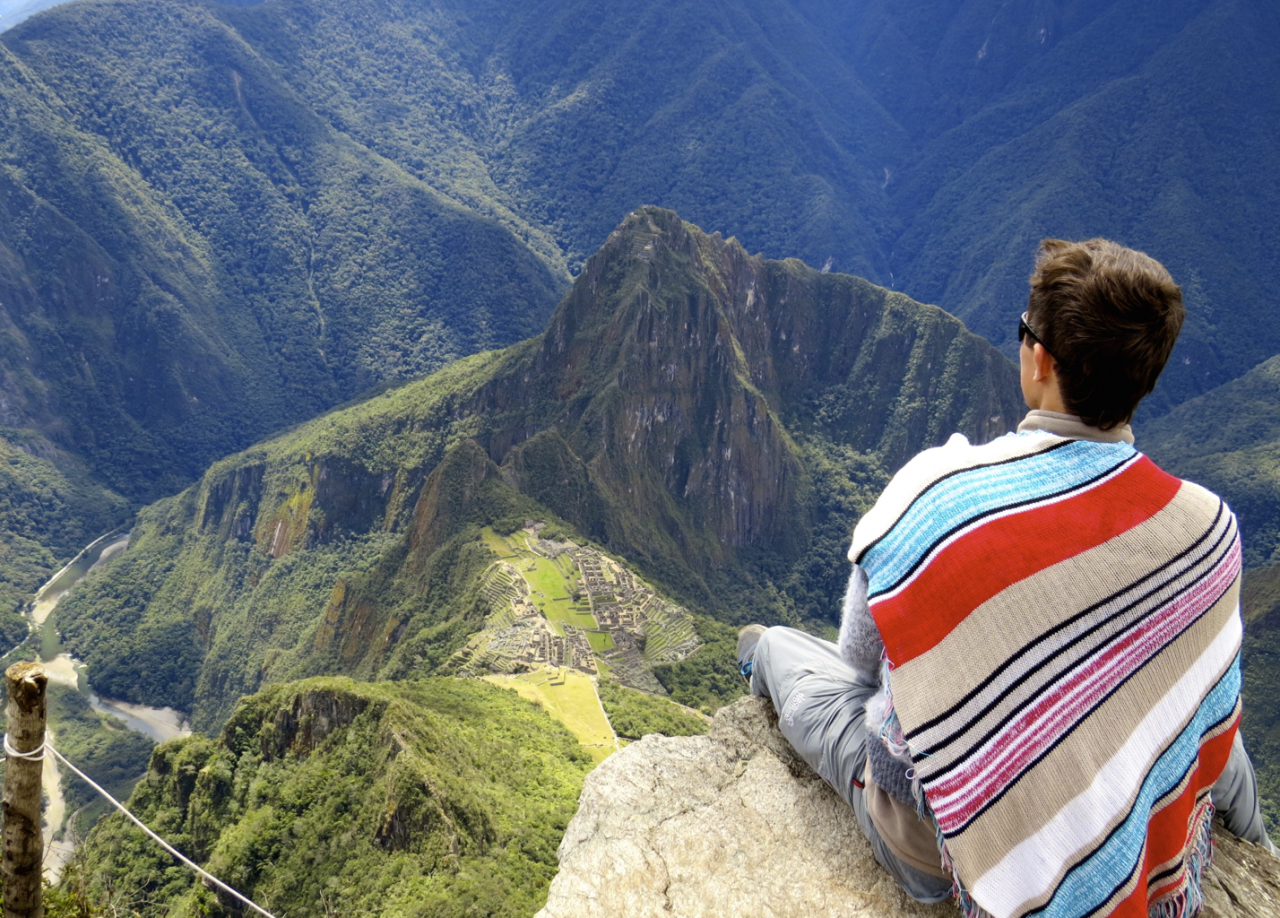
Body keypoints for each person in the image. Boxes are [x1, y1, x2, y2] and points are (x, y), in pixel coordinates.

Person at [737, 238, 1276, 918]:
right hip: (1127, 794)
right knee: (1198, 690)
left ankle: (756, 658)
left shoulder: (932, 498)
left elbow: (860, 665)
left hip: (945, 851)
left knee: (789, 652)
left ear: (1039, 359)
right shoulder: (1209, 528)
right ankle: (1256, 841)